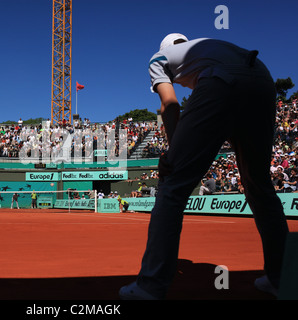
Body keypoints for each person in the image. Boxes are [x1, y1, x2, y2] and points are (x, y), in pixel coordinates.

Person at [119, 34, 289, 300]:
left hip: (220, 82)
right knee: (260, 186)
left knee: (172, 185)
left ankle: (150, 286)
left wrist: (173, 154)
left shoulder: (159, 58)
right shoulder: (207, 46)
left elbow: (170, 104)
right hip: (263, 79)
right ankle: (283, 279)